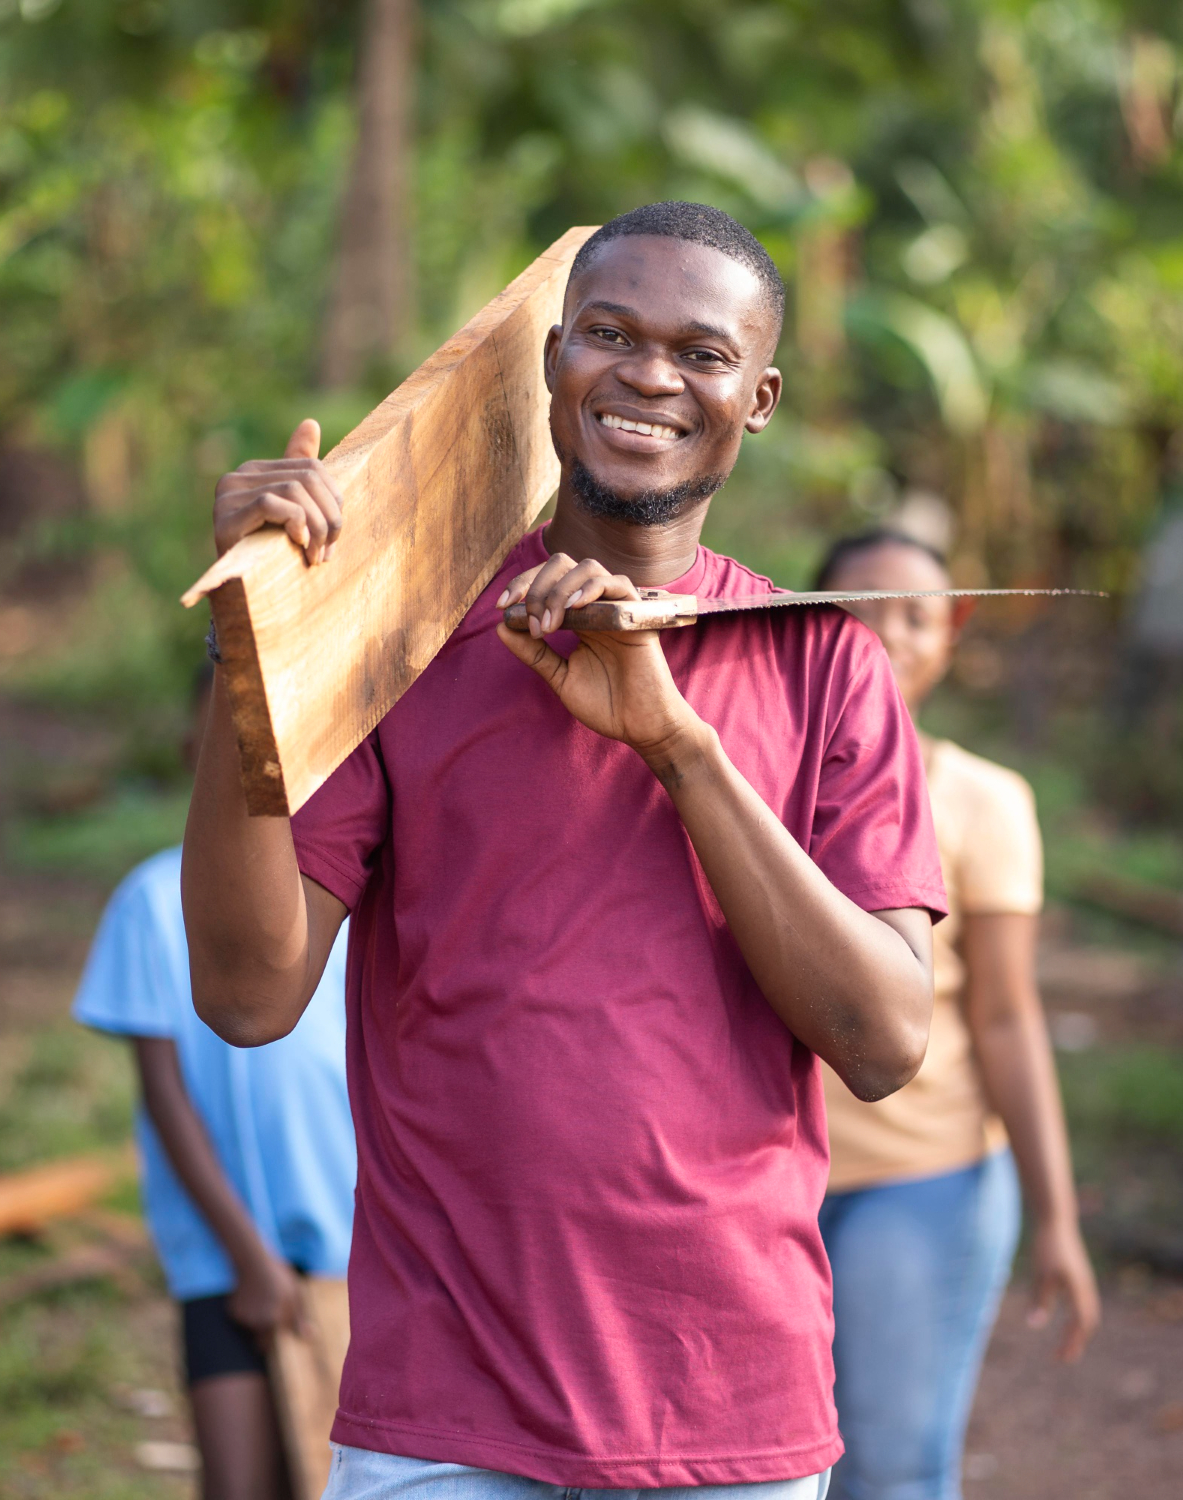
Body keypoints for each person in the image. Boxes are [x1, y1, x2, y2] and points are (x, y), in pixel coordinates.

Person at [182, 201, 948, 1500]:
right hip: (444, 1414)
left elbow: (882, 1042)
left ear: (757, 400)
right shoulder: (407, 647)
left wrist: (673, 741)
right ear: (553, 358)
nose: (650, 375)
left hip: (727, 1410)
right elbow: (248, 997)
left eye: (702, 353)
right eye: (609, 333)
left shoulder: (824, 661)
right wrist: (247, 643)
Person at [813, 530, 1101, 1500]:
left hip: (921, 1181)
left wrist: (1055, 1217)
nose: (888, 632)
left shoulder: (984, 802)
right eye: (861, 604)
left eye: (918, 615)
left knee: (889, 1465)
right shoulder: (740, 773)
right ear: (808, 617)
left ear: (952, 634)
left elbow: (1007, 1016)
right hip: (752, 1178)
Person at [73, 668, 355, 1500]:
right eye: (228, 739)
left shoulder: (341, 896)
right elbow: (166, 1101)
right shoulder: (151, 902)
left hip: (353, 1257)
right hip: (222, 1261)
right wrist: (248, 1258)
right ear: (188, 754)